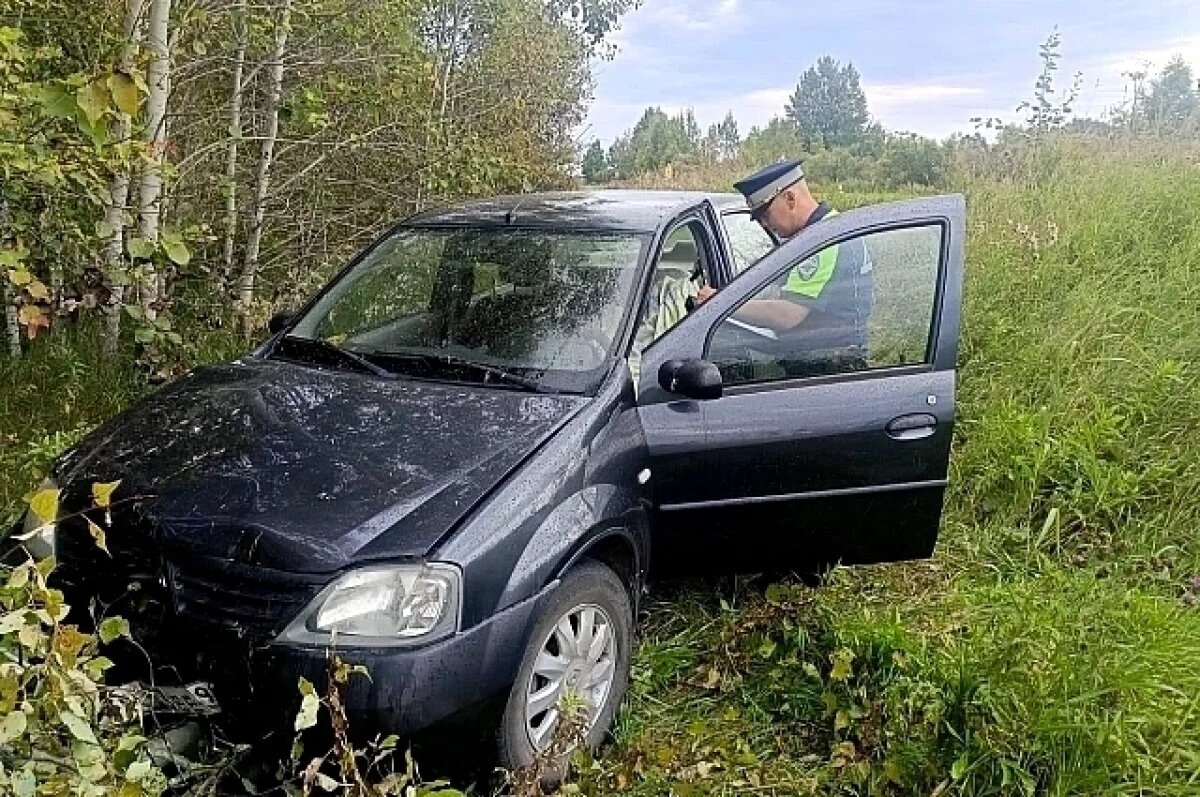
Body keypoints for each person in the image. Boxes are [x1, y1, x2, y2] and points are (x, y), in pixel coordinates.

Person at [697, 159, 873, 371]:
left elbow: (787, 315)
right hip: (826, 362)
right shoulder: (831, 227)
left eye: (765, 214)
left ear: (789, 198)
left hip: (828, 369)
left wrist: (720, 303)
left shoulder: (822, 241)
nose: (764, 224)